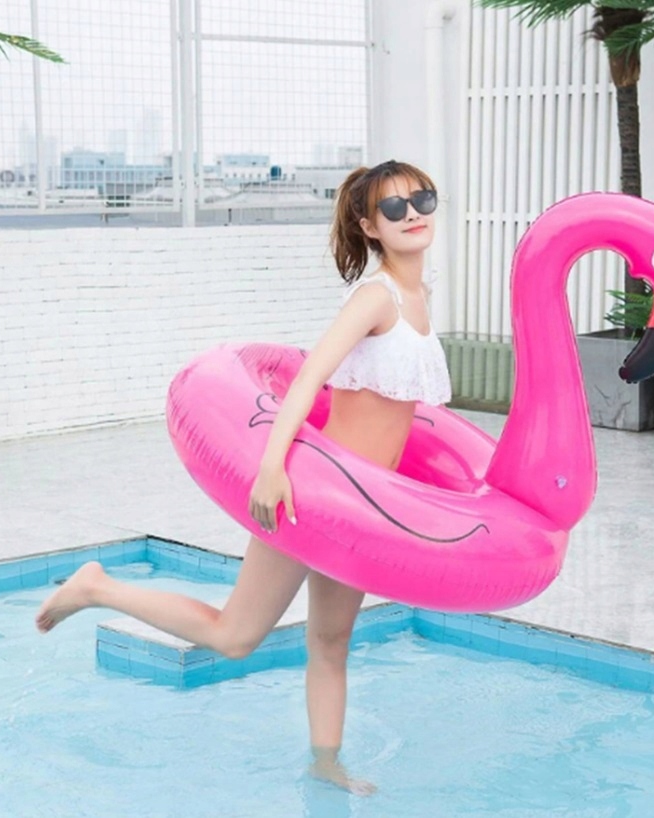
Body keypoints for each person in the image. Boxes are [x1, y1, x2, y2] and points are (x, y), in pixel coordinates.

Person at [35, 159, 452, 794]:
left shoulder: (421, 296)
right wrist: (272, 467)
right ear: (371, 226)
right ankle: (98, 588)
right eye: (394, 207)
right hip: (316, 496)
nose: (413, 213)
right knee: (235, 636)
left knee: (332, 640)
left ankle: (326, 763)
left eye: (422, 198)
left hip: (363, 510)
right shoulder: (376, 297)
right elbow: (309, 379)